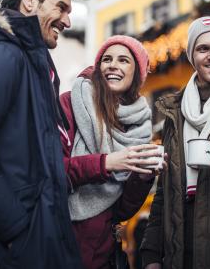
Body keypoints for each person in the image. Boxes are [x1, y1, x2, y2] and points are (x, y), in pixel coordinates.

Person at [0, 0, 84, 269]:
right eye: (61, 7)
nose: (68, 21)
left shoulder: (34, 65)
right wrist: (17, 228)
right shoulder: (2, 55)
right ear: (29, 0)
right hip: (4, 249)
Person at [140, 16, 210, 269]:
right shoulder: (175, 111)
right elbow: (164, 190)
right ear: (192, 57)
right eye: (203, 49)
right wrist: (151, 253)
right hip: (182, 248)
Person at [60, 35, 165, 269]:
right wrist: (106, 163)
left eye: (123, 60)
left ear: (137, 72)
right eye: (106, 59)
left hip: (101, 253)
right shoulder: (70, 103)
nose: (113, 65)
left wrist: (142, 176)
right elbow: (50, 170)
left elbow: (120, 210)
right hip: (60, 243)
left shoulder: (138, 125)